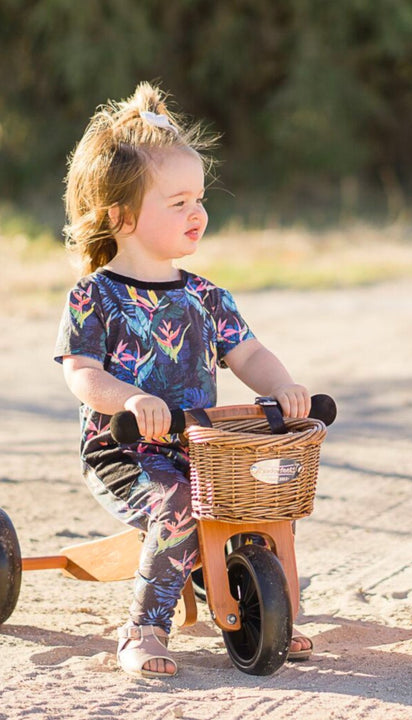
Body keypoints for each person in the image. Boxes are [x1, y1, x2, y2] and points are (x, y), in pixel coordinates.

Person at [55, 82, 313, 678]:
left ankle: (262, 611)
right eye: (178, 203)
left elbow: (248, 354)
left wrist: (282, 387)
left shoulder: (204, 296)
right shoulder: (95, 296)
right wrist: (134, 398)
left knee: (253, 498)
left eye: (199, 198)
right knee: (178, 502)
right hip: (125, 452)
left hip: (199, 449)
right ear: (120, 216)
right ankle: (144, 625)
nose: (198, 212)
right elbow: (82, 375)